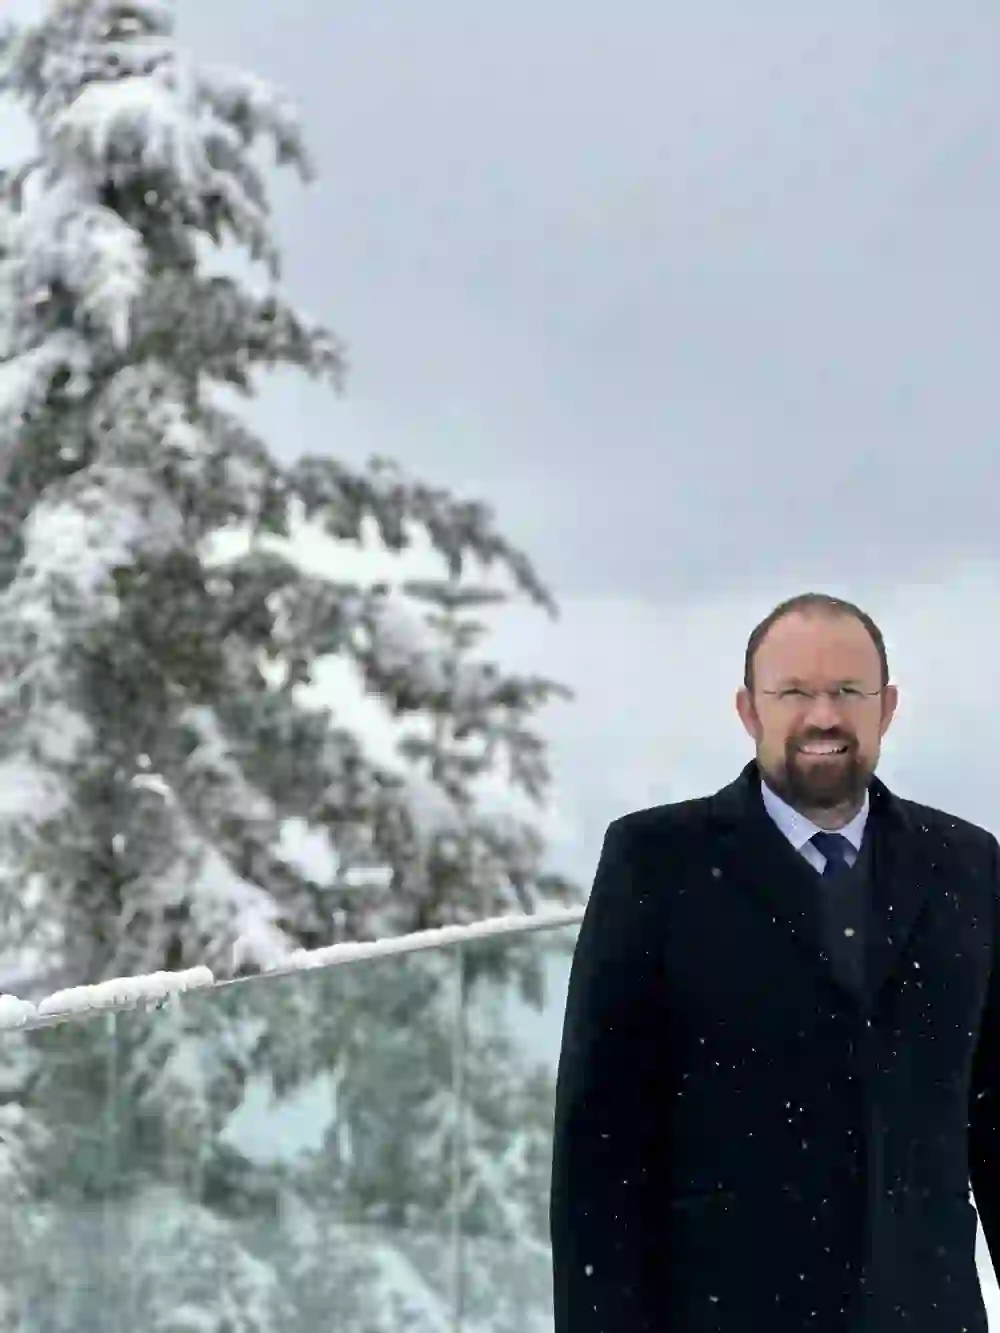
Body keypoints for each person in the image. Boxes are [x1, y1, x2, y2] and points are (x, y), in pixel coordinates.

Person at [550, 592, 1000, 1333]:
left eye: (847, 692)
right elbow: (600, 1148)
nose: (823, 716)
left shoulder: (965, 863)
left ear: (886, 708)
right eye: (794, 691)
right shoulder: (658, 862)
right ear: (748, 709)